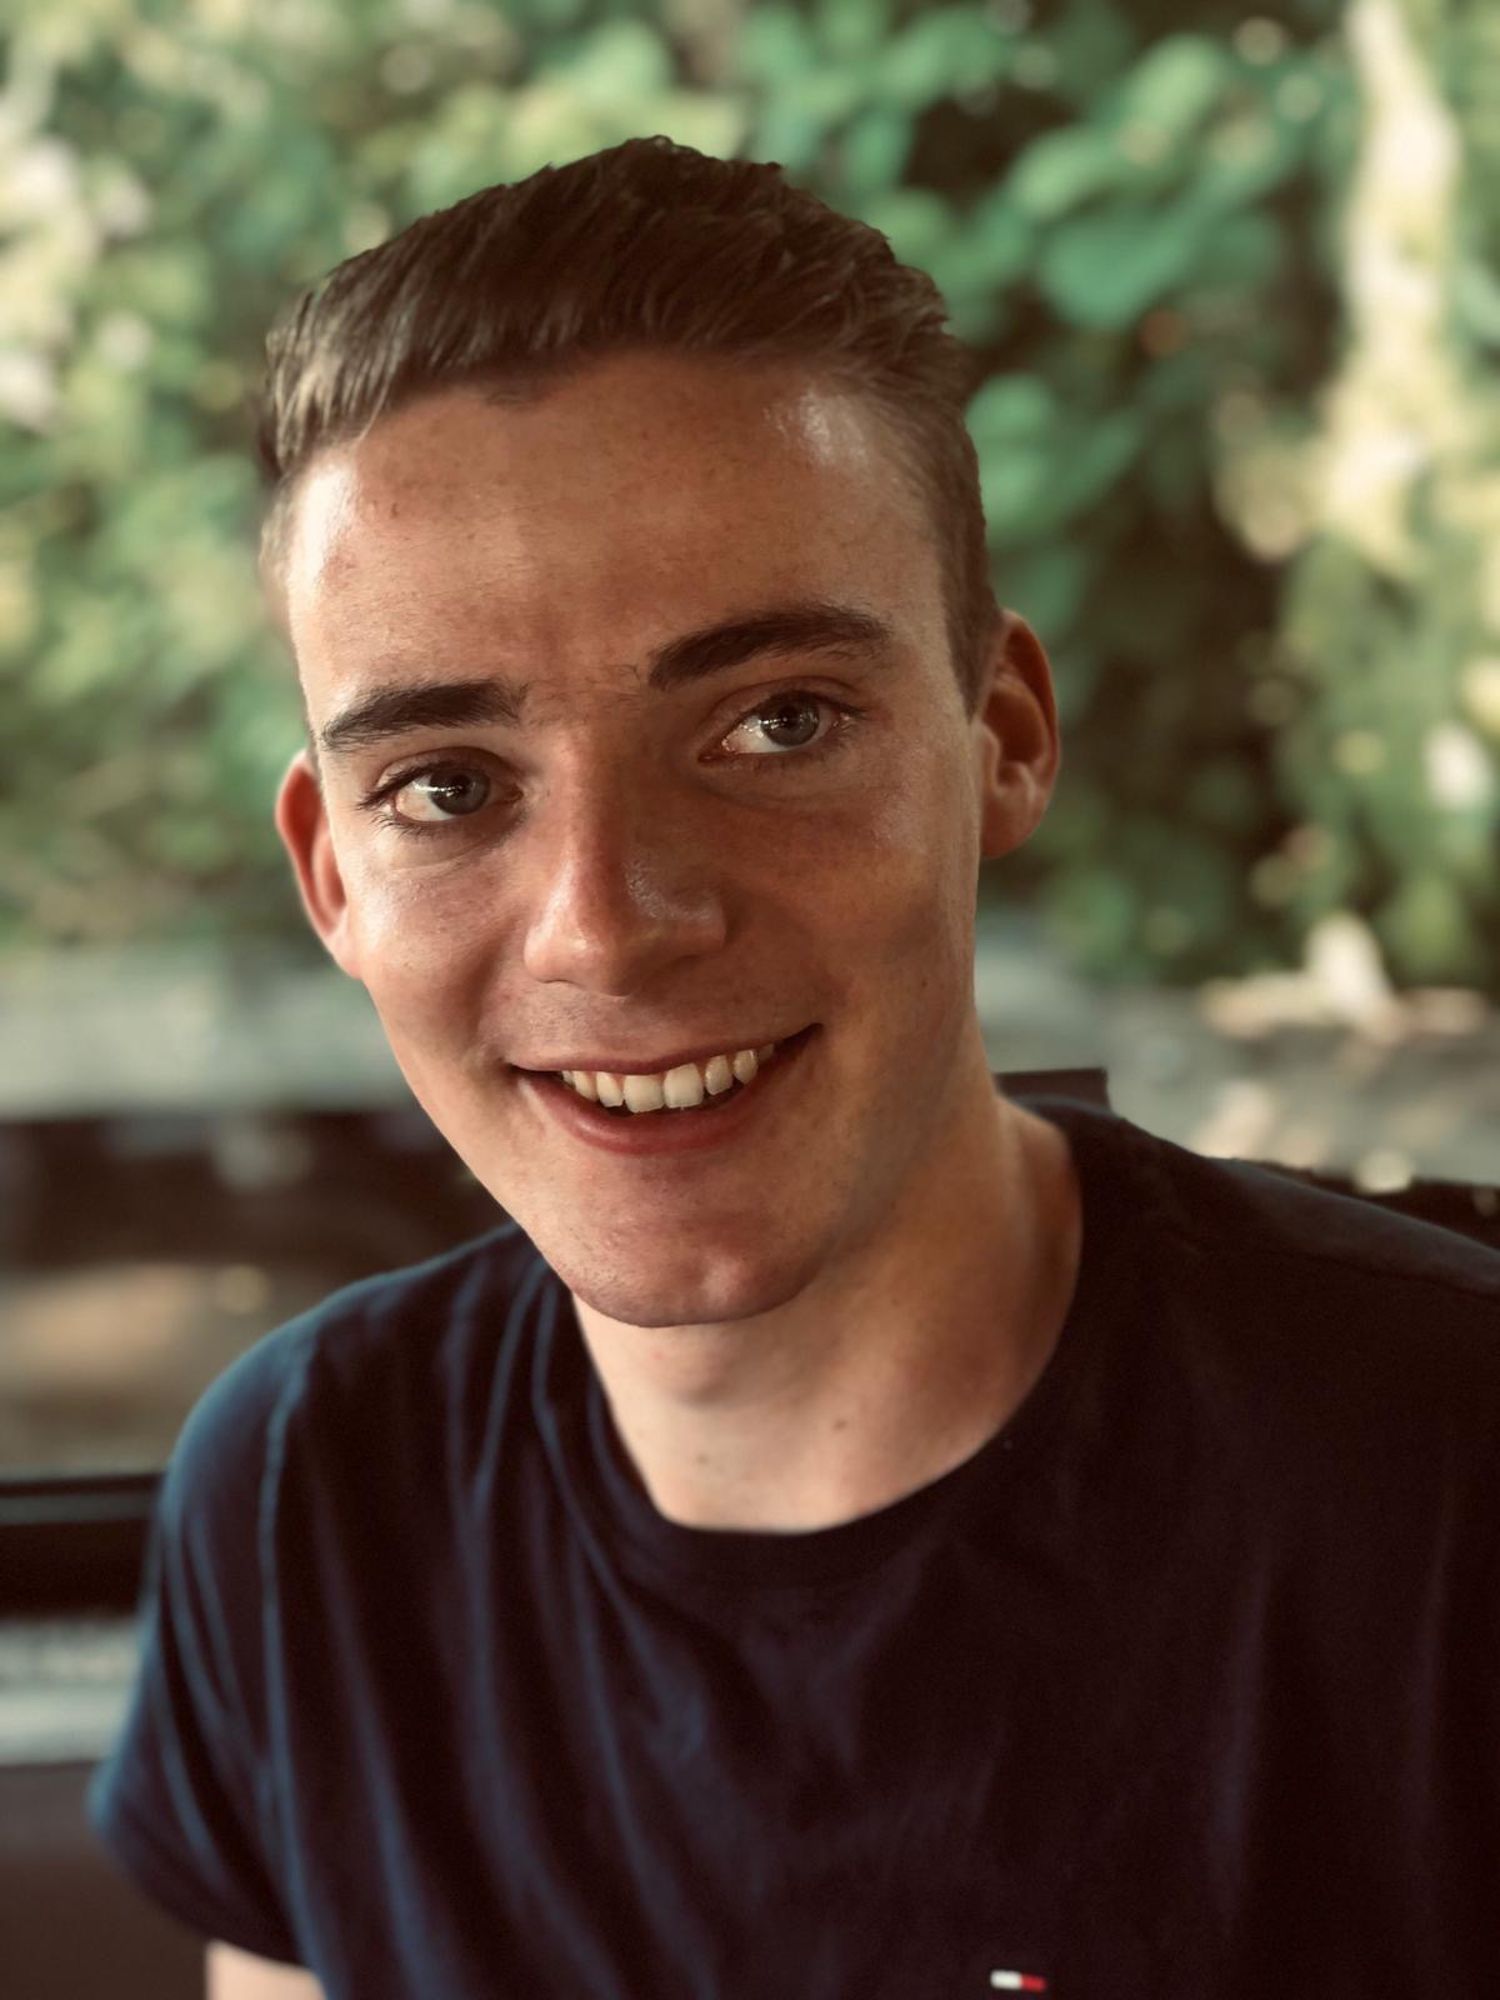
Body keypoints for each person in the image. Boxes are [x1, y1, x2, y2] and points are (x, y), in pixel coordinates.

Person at [88, 137, 1500, 2000]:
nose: (607, 926)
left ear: (1002, 738)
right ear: (332, 872)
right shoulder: (302, 1500)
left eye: (777, 723)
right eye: (448, 786)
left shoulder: (1448, 1481)